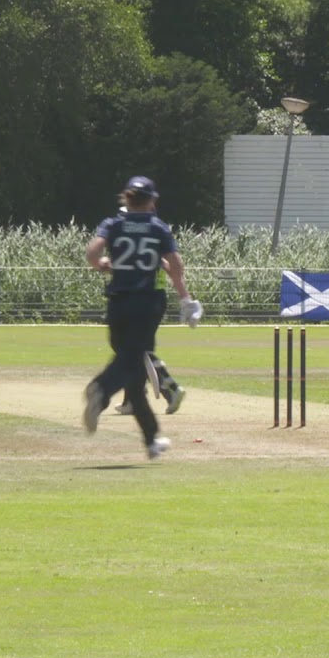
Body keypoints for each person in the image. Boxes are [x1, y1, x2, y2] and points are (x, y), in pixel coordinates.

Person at [83, 176, 202, 460]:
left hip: (117, 302)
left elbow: (92, 253)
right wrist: (186, 299)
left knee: (134, 372)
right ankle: (100, 389)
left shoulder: (112, 224)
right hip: (147, 302)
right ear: (151, 200)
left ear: (126, 198)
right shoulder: (157, 227)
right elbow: (175, 265)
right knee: (131, 360)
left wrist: (102, 265)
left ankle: (151, 439)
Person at [111, 207, 187, 416]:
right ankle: (132, 399)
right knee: (134, 350)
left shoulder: (147, 234)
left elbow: (169, 265)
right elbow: (170, 266)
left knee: (134, 349)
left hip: (143, 299)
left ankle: (170, 389)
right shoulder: (150, 235)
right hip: (151, 299)